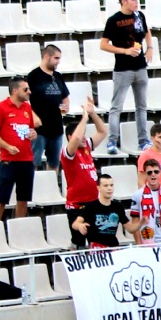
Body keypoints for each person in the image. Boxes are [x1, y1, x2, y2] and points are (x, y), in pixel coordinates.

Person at [100, 0, 154, 155]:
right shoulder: (114, 20)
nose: (136, 1)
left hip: (140, 66)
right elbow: (103, 44)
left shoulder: (139, 15)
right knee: (117, 107)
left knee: (142, 106)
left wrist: (150, 48)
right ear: (124, 1)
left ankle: (143, 140)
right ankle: (112, 141)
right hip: (123, 69)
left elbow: (147, 32)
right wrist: (124, 51)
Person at [0, 77, 37, 221]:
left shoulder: (27, 108)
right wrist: (7, 146)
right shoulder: (0, 107)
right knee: (2, 197)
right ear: (15, 91)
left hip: (26, 159)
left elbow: (30, 128)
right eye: (25, 89)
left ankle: (19, 227)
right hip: (9, 160)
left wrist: (33, 133)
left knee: (23, 198)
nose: (29, 92)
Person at [61, 98, 109, 248]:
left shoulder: (87, 145)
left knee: (97, 242)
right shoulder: (68, 152)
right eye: (81, 134)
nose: (84, 137)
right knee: (79, 244)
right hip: (77, 207)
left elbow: (103, 131)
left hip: (93, 203)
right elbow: (76, 137)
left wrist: (92, 113)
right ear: (70, 137)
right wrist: (84, 118)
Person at [26, 44, 69, 171]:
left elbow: (65, 97)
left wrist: (63, 112)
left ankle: (52, 183)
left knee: (54, 163)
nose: (58, 61)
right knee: (33, 162)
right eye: (56, 58)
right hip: (39, 130)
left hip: (56, 128)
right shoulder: (33, 76)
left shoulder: (58, 76)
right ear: (46, 57)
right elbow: (24, 100)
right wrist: (33, 117)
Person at [126, 157, 161, 246]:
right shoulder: (137, 195)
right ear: (145, 174)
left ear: (160, 173)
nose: (153, 174)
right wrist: (139, 245)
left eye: (156, 172)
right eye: (149, 172)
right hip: (147, 244)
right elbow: (135, 222)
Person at [70, 174, 130, 249]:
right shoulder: (91, 206)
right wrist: (79, 226)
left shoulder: (118, 206)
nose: (109, 188)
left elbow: (130, 228)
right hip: (96, 248)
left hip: (113, 246)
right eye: (106, 186)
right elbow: (74, 224)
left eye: (111, 185)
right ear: (98, 188)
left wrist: (141, 222)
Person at [136, 124, 161, 191]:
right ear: (152, 138)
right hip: (152, 193)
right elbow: (141, 181)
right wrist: (147, 195)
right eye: (160, 137)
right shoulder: (145, 155)